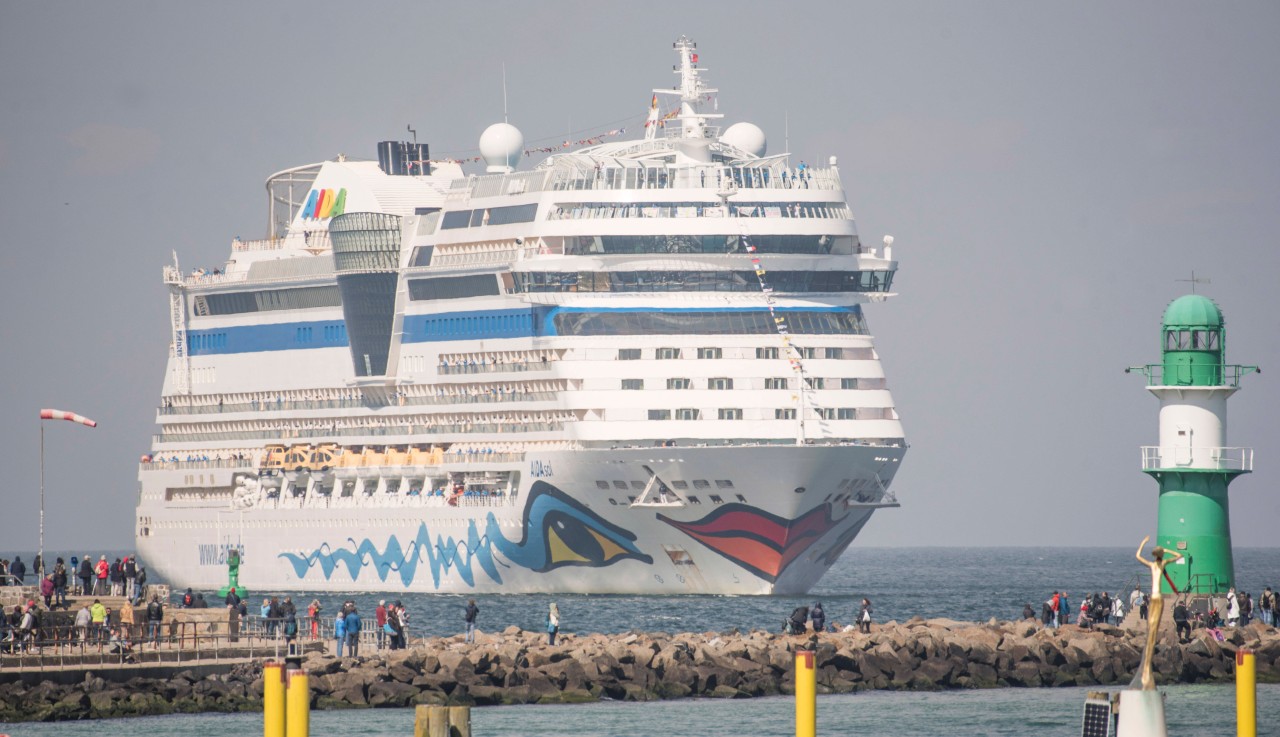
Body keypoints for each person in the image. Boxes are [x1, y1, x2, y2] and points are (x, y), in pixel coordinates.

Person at [1133, 536, 1183, 690]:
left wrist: (1142, 543)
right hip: (1158, 599)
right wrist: (1166, 550)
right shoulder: (1161, 565)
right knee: (1151, 631)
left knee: (1151, 630)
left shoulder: (1153, 565)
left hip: (1154, 599)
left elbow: (1138, 556)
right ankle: (1146, 670)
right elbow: (1179, 556)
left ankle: (1146, 670)